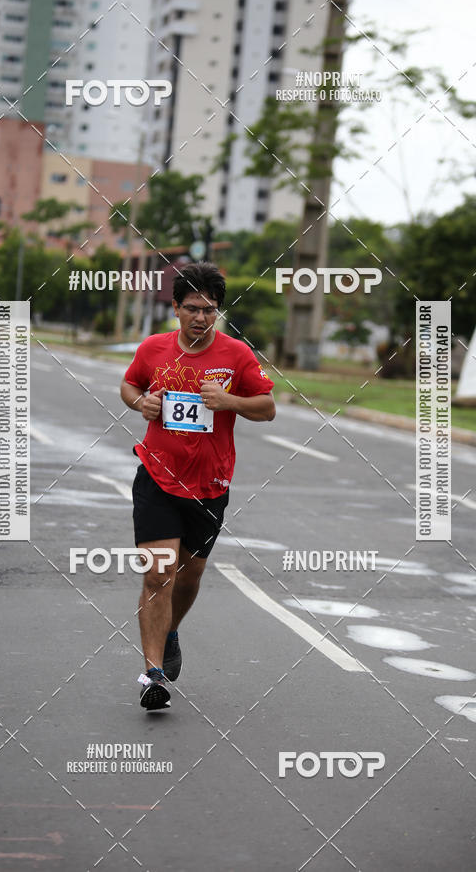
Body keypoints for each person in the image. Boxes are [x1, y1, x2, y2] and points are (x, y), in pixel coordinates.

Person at [120, 261, 276, 710]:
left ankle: (170, 631)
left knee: (189, 577)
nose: (201, 318)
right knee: (158, 574)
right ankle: (152, 675)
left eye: (209, 310)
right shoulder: (153, 348)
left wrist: (230, 401)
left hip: (210, 485)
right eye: (192, 308)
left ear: (218, 312)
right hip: (157, 476)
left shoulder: (237, 355)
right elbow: (129, 385)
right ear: (175, 308)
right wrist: (142, 403)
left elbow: (267, 407)